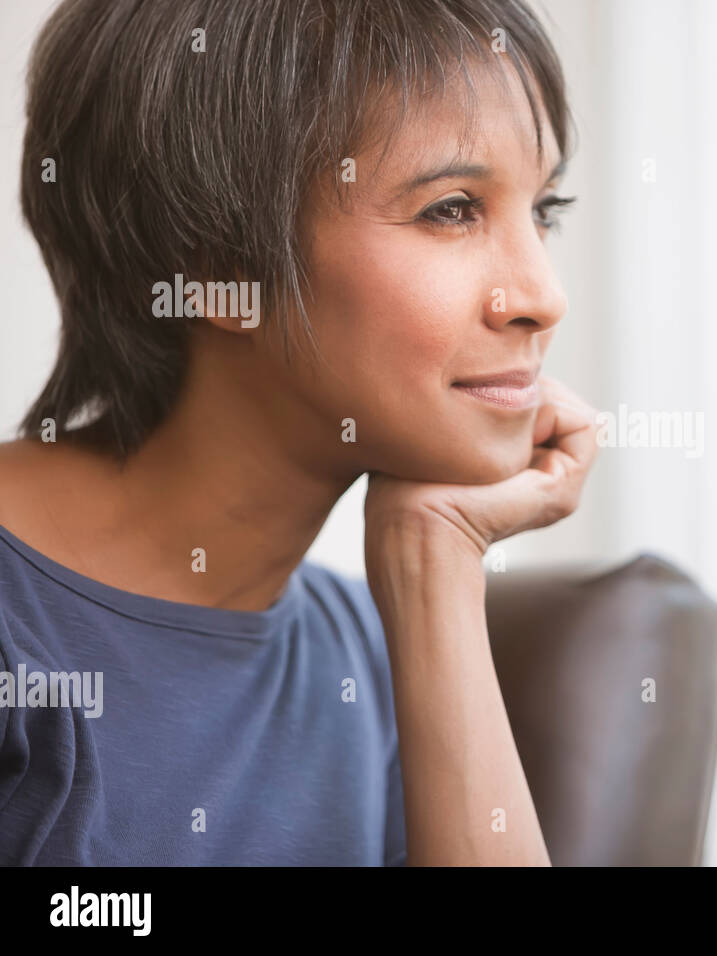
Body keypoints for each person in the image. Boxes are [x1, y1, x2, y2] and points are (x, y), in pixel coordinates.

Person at [0, 0, 596, 866]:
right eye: (453, 209)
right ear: (214, 264)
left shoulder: (370, 649)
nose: (543, 295)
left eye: (544, 209)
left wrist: (434, 568)